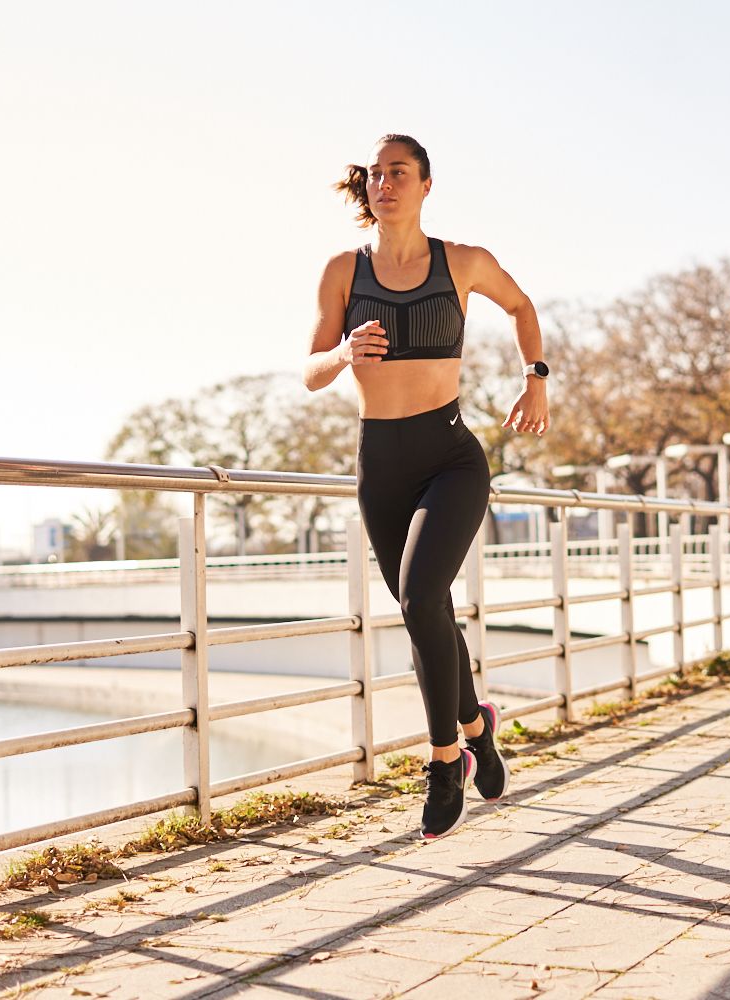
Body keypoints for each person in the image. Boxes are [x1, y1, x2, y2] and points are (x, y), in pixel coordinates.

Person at [303, 133, 550, 839]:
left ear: (425, 184)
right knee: (424, 611)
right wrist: (343, 352)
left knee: (417, 598)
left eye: (398, 173)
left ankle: (447, 763)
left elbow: (523, 307)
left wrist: (536, 379)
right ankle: (478, 723)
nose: (384, 183)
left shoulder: (462, 262)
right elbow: (311, 369)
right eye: (376, 174)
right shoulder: (343, 271)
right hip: (379, 464)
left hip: (450, 456)